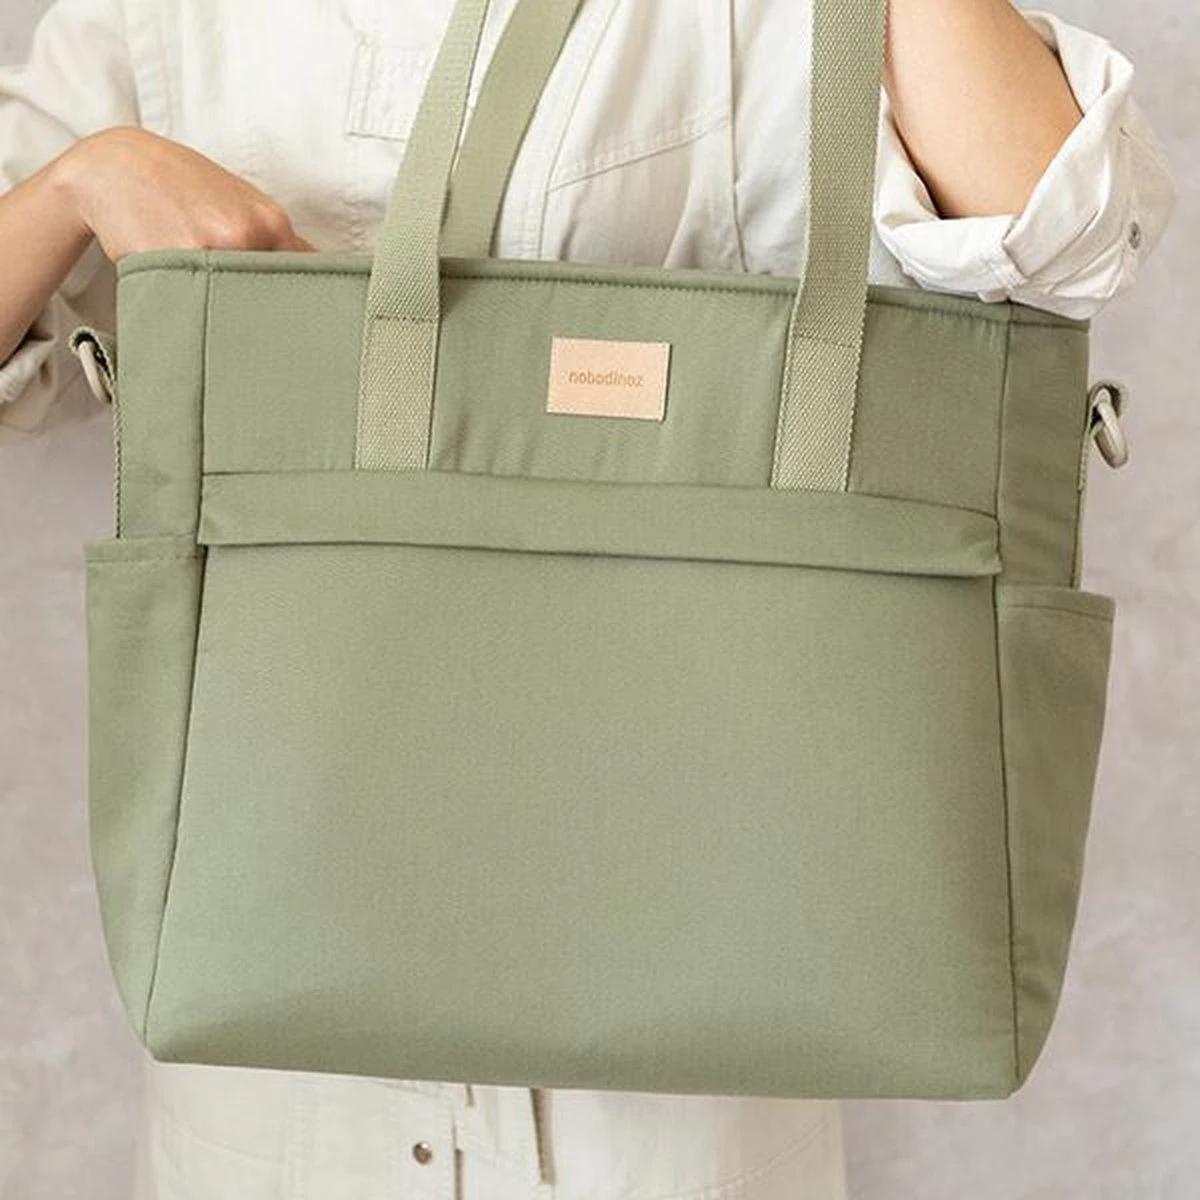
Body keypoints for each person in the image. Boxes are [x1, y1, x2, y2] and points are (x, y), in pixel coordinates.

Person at [0, 1, 1178, 1197]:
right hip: (270, 1138)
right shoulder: (168, 18)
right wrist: (79, 184)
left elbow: (1069, 233)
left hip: (690, 1145)